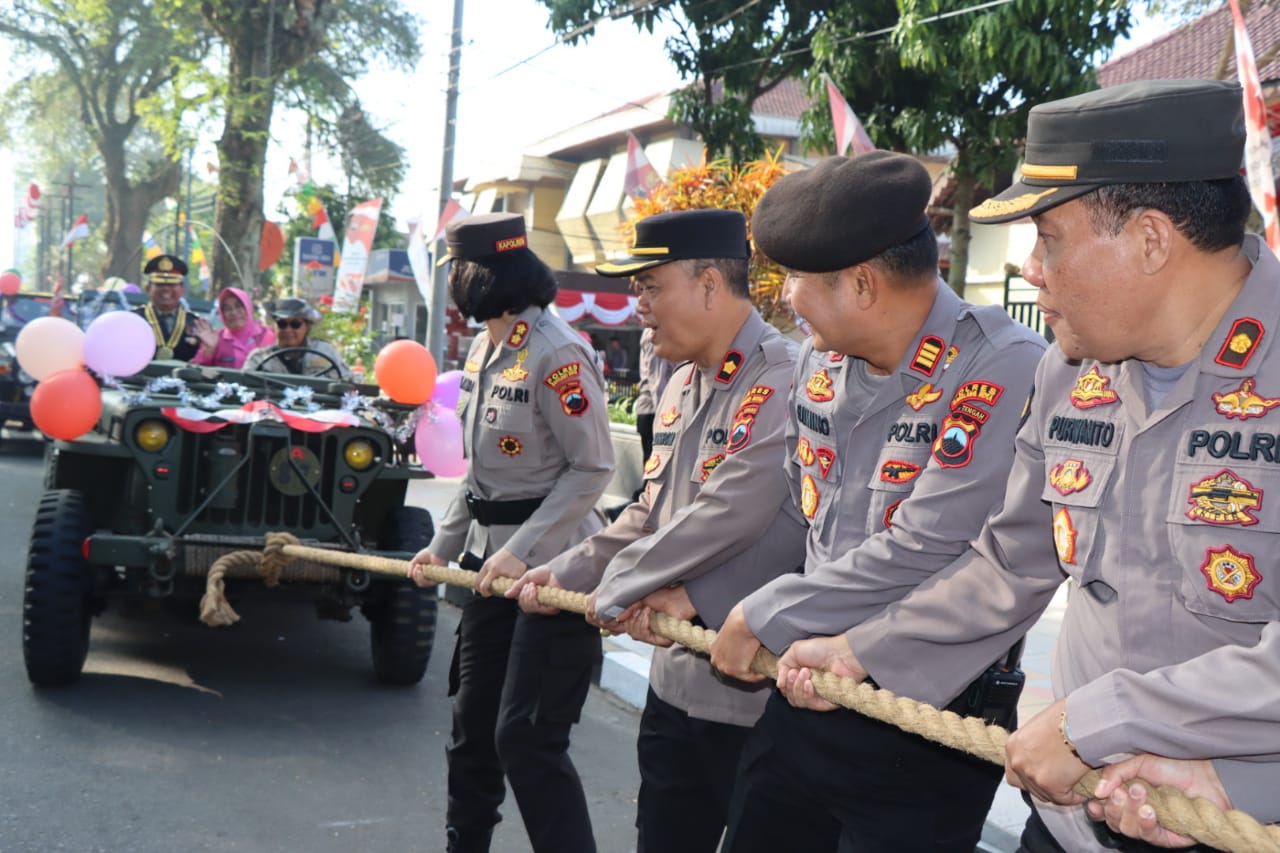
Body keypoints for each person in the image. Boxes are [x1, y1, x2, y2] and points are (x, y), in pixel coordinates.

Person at [778, 79, 1280, 852]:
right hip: (1073, 813)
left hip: (1234, 817)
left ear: (1150, 240)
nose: (1031, 268)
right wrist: (860, 649)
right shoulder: (1069, 371)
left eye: (1049, 237)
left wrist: (1102, 720)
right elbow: (1008, 564)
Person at [704, 151, 1048, 852]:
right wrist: (700, 596)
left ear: (861, 284)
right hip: (808, 692)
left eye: (796, 277)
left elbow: (928, 542)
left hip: (927, 720)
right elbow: (800, 519)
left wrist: (765, 611)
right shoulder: (819, 364)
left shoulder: (1002, 363)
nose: (787, 299)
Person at [506, 208, 808, 853]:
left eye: (649, 286)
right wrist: (565, 570)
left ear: (707, 284)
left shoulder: (783, 378)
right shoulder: (678, 386)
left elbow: (727, 513)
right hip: (674, 682)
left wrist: (612, 591)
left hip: (751, 691)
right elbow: (649, 512)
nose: (636, 303)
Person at [405, 212, 615, 853]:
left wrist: (521, 553)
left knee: (524, 739)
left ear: (476, 277)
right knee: (472, 730)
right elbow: (482, 475)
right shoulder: (486, 347)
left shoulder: (558, 352)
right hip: (489, 568)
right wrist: (444, 545)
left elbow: (593, 467)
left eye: (455, 276)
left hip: (554, 572)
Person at [243, 296, 352, 380]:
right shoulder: (259, 358)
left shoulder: (326, 351)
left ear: (307, 327)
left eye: (295, 324)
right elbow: (244, 386)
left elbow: (347, 381)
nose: (288, 330)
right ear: (274, 327)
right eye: (282, 324)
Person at [134, 254, 201, 360]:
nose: (166, 289)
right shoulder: (134, 319)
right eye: (159, 284)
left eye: (172, 284)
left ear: (182, 289)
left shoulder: (195, 323)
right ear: (148, 289)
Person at [191, 287, 275, 369]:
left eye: (238, 306)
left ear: (248, 307)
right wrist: (208, 350)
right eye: (227, 309)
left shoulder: (268, 335)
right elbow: (195, 372)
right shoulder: (216, 338)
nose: (234, 312)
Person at [633, 325, 675, 463]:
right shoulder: (655, 333)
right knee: (656, 466)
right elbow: (657, 381)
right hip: (654, 411)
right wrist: (663, 419)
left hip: (654, 410)